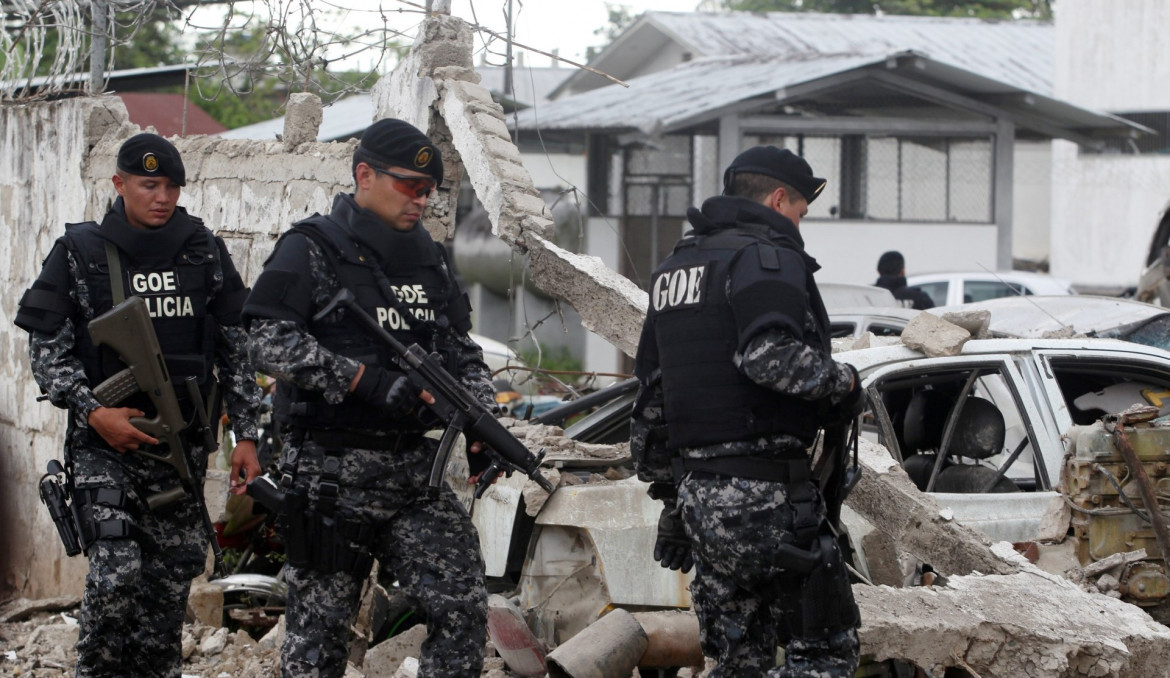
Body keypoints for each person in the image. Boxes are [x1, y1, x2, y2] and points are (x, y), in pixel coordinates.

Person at [242, 118, 493, 678]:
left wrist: (480, 421)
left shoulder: (428, 258)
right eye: (409, 186)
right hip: (333, 473)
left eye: (428, 191)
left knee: (462, 608)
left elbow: (461, 351)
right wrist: (359, 379)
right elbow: (265, 339)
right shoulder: (311, 248)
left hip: (414, 475)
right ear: (364, 175)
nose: (421, 200)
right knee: (319, 641)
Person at [14, 133, 262, 678]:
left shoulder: (203, 251)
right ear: (119, 183)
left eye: (172, 186)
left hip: (179, 447)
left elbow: (236, 348)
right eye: (149, 185)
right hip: (105, 446)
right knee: (116, 570)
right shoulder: (80, 254)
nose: (163, 197)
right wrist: (93, 411)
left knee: (166, 587)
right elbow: (47, 350)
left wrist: (246, 435)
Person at [631, 146, 862, 677]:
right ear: (780, 199)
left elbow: (651, 397)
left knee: (738, 661)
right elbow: (769, 356)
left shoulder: (675, 270)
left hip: (700, 500)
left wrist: (672, 500)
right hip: (768, 499)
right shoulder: (767, 258)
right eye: (802, 211)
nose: (802, 225)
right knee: (826, 655)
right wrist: (845, 383)